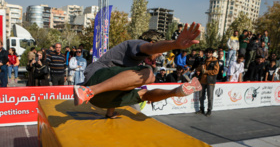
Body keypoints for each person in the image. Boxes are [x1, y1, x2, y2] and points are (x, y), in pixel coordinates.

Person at [73, 22, 202, 118]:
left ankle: (176, 92)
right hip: (95, 80)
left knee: (143, 93)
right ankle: (88, 91)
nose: (160, 55)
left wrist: (110, 112)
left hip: (100, 100)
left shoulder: (134, 62)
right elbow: (151, 49)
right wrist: (175, 44)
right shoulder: (136, 44)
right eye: (161, 52)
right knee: (148, 74)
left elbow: (117, 83)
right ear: (152, 42)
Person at [196, 48, 219, 116]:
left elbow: (216, 71)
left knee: (210, 97)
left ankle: (209, 110)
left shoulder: (215, 61)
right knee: (201, 96)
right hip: (202, 81)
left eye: (209, 53)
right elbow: (199, 68)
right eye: (207, 53)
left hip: (210, 81)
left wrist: (206, 71)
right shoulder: (203, 60)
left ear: (212, 54)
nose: (208, 54)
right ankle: (201, 109)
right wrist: (198, 71)